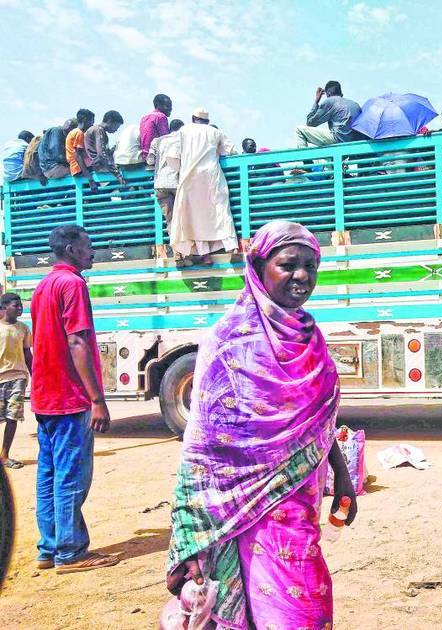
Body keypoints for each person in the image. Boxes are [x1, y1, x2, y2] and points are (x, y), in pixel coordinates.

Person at [166, 220, 358, 629]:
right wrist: (192, 536)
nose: (302, 276)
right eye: (289, 264)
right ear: (259, 267)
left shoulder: (310, 337)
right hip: (235, 509)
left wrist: (341, 474)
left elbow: (318, 422)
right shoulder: (226, 341)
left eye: (311, 265)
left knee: (301, 605)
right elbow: (201, 448)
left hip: (298, 505)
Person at [30, 225, 119, 573]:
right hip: (69, 396)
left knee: (49, 474)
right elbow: (77, 341)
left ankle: (49, 548)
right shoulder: (73, 284)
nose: (93, 252)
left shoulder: (43, 286)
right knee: (70, 475)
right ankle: (70, 552)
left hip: (45, 395)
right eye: (88, 246)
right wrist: (96, 398)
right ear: (71, 248)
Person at [169, 107, 238, 265]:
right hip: (212, 177)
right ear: (207, 121)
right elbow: (231, 150)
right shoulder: (215, 132)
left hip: (189, 178)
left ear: (193, 119)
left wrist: (183, 168)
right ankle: (232, 247)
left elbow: (172, 157)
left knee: (195, 218)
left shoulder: (184, 131)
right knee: (221, 212)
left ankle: (205, 255)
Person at [0, 293, 32, 470]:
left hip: (18, 378)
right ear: (5, 307)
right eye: (16, 305)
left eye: (21, 305)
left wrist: (35, 375)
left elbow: (28, 354)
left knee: (13, 417)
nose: (20, 308)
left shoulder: (24, 329)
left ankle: (5, 455)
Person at [147, 119, 185, 256]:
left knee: (170, 220)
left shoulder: (157, 141)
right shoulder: (183, 140)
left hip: (160, 184)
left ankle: (177, 253)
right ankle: (186, 251)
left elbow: (150, 160)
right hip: (177, 183)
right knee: (182, 218)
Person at [295, 80, 362, 148]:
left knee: (299, 130)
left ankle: (305, 158)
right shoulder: (355, 104)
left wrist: (316, 101)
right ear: (341, 94)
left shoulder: (330, 101)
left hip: (339, 139)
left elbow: (310, 123)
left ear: (328, 94)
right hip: (354, 142)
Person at [84, 110, 127, 185]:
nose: (116, 130)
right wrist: (117, 174)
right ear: (110, 121)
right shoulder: (99, 130)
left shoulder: (98, 130)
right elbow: (102, 155)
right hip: (98, 167)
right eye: (116, 126)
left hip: (97, 166)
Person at [66, 109, 99, 192]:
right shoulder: (79, 133)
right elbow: (78, 155)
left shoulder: (73, 132)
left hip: (77, 169)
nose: (92, 125)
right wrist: (90, 179)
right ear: (85, 120)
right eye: (91, 121)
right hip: (80, 169)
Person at [139, 93, 173, 160]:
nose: (170, 109)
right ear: (158, 105)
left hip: (144, 155)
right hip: (154, 156)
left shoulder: (144, 117)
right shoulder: (161, 116)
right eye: (168, 106)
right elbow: (166, 140)